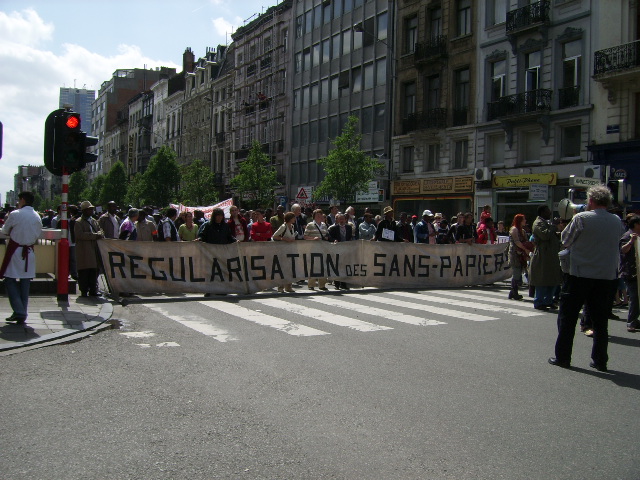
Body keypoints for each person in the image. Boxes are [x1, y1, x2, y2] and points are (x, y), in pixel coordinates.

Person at [549, 185, 625, 371]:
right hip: (606, 276)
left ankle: (563, 357)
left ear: (591, 200)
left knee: (568, 318)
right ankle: (600, 360)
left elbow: (565, 240)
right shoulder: (617, 220)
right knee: (600, 321)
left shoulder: (581, 218)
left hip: (579, 274)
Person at [0, 191, 43, 324]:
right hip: (29, 251)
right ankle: (21, 312)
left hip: (16, 251)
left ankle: (19, 311)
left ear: (23, 200)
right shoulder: (37, 216)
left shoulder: (15, 214)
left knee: (10, 280)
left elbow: (4, 231)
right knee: (25, 284)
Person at [529, 205, 563, 310]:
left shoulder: (546, 223)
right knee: (542, 280)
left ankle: (548, 300)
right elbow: (545, 235)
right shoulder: (538, 223)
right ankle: (539, 301)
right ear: (543, 212)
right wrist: (554, 226)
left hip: (551, 256)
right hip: (543, 256)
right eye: (548, 211)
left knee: (552, 280)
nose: (550, 213)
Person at [74, 201, 104, 297]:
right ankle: (84, 290)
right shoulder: (78, 222)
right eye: (89, 209)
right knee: (84, 271)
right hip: (84, 250)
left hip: (94, 250)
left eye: (92, 209)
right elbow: (80, 235)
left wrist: (100, 234)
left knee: (94, 271)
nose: (91, 211)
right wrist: (95, 236)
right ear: (84, 210)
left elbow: (100, 231)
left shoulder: (94, 221)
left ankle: (93, 289)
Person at [620, 215, 640, 333]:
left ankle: (635, 320)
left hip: (638, 271)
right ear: (636, 224)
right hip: (630, 272)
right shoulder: (627, 236)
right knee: (635, 297)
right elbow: (622, 250)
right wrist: (631, 241)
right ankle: (631, 321)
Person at [507, 214, 533, 300]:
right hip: (515, 254)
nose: (525, 221)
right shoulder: (514, 229)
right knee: (516, 273)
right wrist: (525, 249)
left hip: (521, 254)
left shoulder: (523, 231)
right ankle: (514, 292)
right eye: (523, 219)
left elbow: (525, 241)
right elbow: (517, 242)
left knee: (520, 272)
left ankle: (513, 292)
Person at [303, 209, 329, 291]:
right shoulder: (310, 225)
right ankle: (311, 284)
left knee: (323, 266)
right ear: (314, 216)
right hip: (313, 248)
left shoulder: (324, 225)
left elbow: (326, 235)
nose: (319, 216)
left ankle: (322, 284)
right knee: (312, 266)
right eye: (317, 215)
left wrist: (326, 238)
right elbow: (305, 236)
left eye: (320, 215)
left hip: (322, 248)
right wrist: (313, 238)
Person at [272, 212, 297, 293]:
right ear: (290, 218)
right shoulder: (284, 226)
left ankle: (288, 286)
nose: (295, 219)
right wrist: (285, 239)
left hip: (290, 250)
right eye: (293, 217)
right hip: (282, 250)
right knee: (282, 269)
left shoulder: (292, 226)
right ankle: (280, 287)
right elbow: (275, 236)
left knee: (290, 269)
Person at [328, 213, 354, 290]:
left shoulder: (349, 227)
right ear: (338, 220)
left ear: (345, 220)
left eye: (343, 219)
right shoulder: (334, 228)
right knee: (337, 266)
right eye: (340, 219)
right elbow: (330, 237)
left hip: (346, 249)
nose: (342, 220)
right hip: (337, 249)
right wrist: (334, 240)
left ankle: (344, 283)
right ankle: (337, 283)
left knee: (344, 267)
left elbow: (350, 237)